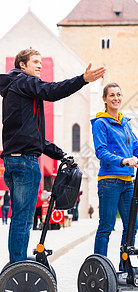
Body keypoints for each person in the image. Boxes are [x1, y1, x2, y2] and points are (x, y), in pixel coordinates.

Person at [0, 48, 105, 264]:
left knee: (21, 218)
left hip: (16, 159)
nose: (39, 65)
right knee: (23, 219)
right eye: (35, 62)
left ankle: (17, 264)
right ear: (22, 65)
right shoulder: (23, 82)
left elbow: (33, 138)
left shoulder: (17, 89)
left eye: (40, 62)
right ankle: (17, 269)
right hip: (25, 162)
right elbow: (52, 91)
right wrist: (82, 80)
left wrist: (60, 154)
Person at [91, 83, 138, 269]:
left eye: (118, 94)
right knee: (106, 226)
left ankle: (125, 267)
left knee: (131, 226)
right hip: (109, 180)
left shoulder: (125, 123)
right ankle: (100, 267)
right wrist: (123, 160)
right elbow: (101, 151)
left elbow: (137, 147)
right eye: (111, 95)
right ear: (104, 99)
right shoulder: (101, 123)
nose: (116, 98)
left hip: (127, 182)